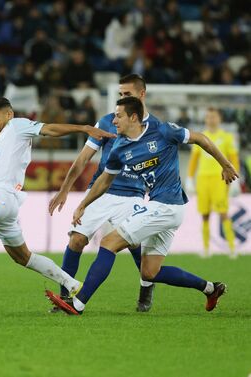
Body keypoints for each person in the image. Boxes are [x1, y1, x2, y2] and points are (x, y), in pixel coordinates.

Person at [46, 96, 237, 315]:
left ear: (133, 117)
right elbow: (104, 180)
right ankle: (211, 289)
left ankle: (77, 304)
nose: (114, 121)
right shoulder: (120, 147)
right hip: (162, 207)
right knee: (149, 272)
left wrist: (225, 164)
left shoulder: (163, 131)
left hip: (168, 206)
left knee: (109, 242)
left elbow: (200, 138)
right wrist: (83, 204)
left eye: (118, 116)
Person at [0, 97, 116, 311]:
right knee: (23, 257)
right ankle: (72, 284)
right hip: (3, 202)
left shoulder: (16, 125)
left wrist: (83, 128)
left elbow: (49, 129)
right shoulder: (5, 140)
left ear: (9, 114)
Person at [48, 74, 160, 312]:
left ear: (141, 95)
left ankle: (145, 288)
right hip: (101, 192)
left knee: (135, 245)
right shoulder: (108, 122)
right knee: (76, 239)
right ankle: (65, 298)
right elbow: (82, 159)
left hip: (133, 195)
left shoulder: (156, 128)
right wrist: (64, 189)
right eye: (120, 94)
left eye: (127, 94)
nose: (122, 98)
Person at [186, 107, 240, 258]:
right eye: (208, 117)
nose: (211, 119)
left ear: (220, 119)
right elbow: (194, 160)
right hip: (203, 179)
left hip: (220, 179)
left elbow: (234, 158)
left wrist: (235, 180)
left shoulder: (227, 137)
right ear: (205, 119)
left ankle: (231, 247)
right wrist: (190, 178)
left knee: (223, 213)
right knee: (205, 214)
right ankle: (206, 249)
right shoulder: (200, 136)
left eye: (214, 117)